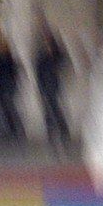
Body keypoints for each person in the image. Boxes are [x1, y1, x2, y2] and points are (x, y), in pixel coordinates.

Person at [34, 25, 76, 153]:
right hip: (45, 84)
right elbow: (38, 70)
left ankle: (63, 131)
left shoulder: (58, 53)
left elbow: (64, 64)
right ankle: (51, 132)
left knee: (55, 107)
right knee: (47, 108)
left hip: (54, 84)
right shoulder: (41, 55)